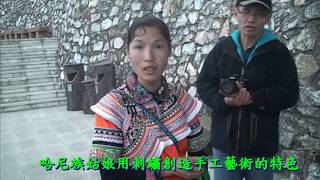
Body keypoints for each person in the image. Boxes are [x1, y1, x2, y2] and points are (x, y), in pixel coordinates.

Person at [90, 16, 210, 180]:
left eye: (158, 46)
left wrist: (198, 166)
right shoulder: (113, 108)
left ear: (169, 51)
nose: (149, 56)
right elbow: (109, 173)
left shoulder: (182, 99)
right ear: (128, 52)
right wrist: (164, 169)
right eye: (139, 46)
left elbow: (199, 153)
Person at [196, 0, 299, 179]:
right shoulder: (222, 49)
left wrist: (255, 98)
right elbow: (204, 85)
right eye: (246, 11)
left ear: (267, 18)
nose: (251, 18)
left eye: (259, 13)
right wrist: (223, 101)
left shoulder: (278, 52)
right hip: (224, 147)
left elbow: (291, 94)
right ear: (236, 13)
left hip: (262, 149)